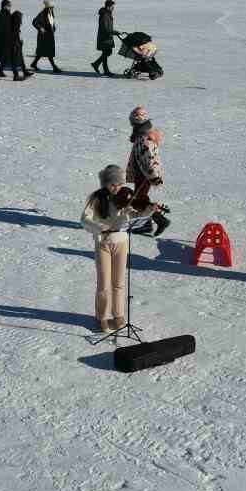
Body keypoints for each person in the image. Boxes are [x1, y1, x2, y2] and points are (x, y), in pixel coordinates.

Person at [81, 165, 156, 332]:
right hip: (103, 243)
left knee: (119, 283)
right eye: (113, 184)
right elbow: (84, 219)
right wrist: (99, 226)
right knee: (104, 283)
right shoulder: (97, 198)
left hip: (121, 242)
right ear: (106, 183)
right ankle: (102, 317)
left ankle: (119, 315)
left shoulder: (126, 196)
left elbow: (136, 214)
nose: (117, 188)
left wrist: (149, 210)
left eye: (120, 184)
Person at [126, 106, 171, 236]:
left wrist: (153, 177)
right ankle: (147, 223)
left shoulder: (145, 139)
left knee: (140, 200)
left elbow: (149, 160)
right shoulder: (141, 135)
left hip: (144, 174)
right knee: (140, 199)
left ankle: (160, 219)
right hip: (142, 173)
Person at [0, 0, 31, 81]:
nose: (10, 7)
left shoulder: (3, 14)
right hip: (5, 41)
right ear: (5, 6)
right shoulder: (4, 15)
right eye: (9, 5)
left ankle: (12, 74)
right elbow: (5, 29)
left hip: (5, 41)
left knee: (7, 57)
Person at [30, 0, 60, 73]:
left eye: (52, 7)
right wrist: (40, 28)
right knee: (49, 52)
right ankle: (54, 67)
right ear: (47, 8)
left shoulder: (51, 14)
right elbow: (34, 22)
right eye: (51, 7)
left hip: (50, 35)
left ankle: (34, 64)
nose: (52, 9)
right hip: (43, 36)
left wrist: (54, 28)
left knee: (42, 52)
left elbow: (52, 23)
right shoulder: (42, 14)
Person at [91, 0, 116, 76]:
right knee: (106, 52)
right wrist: (112, 32)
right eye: (112, 6)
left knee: (107, 52)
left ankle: (96, 64)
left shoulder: (107, 13)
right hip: (105, 37)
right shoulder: (105, 14)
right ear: (108, 7)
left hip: (107, 37)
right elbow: (105, 27)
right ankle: (105, 70)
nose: (113, 8)